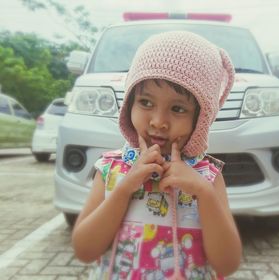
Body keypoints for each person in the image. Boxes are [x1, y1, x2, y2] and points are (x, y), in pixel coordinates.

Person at [72, 31, 242, 280]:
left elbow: (227, 264)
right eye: (146, 103)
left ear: (201, 119)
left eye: (178, 108)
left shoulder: (207, 178)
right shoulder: (111, 169)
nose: (158, 121)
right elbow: (85, 250)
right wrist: (124, 187)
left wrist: (204, 194)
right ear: (129, 103)